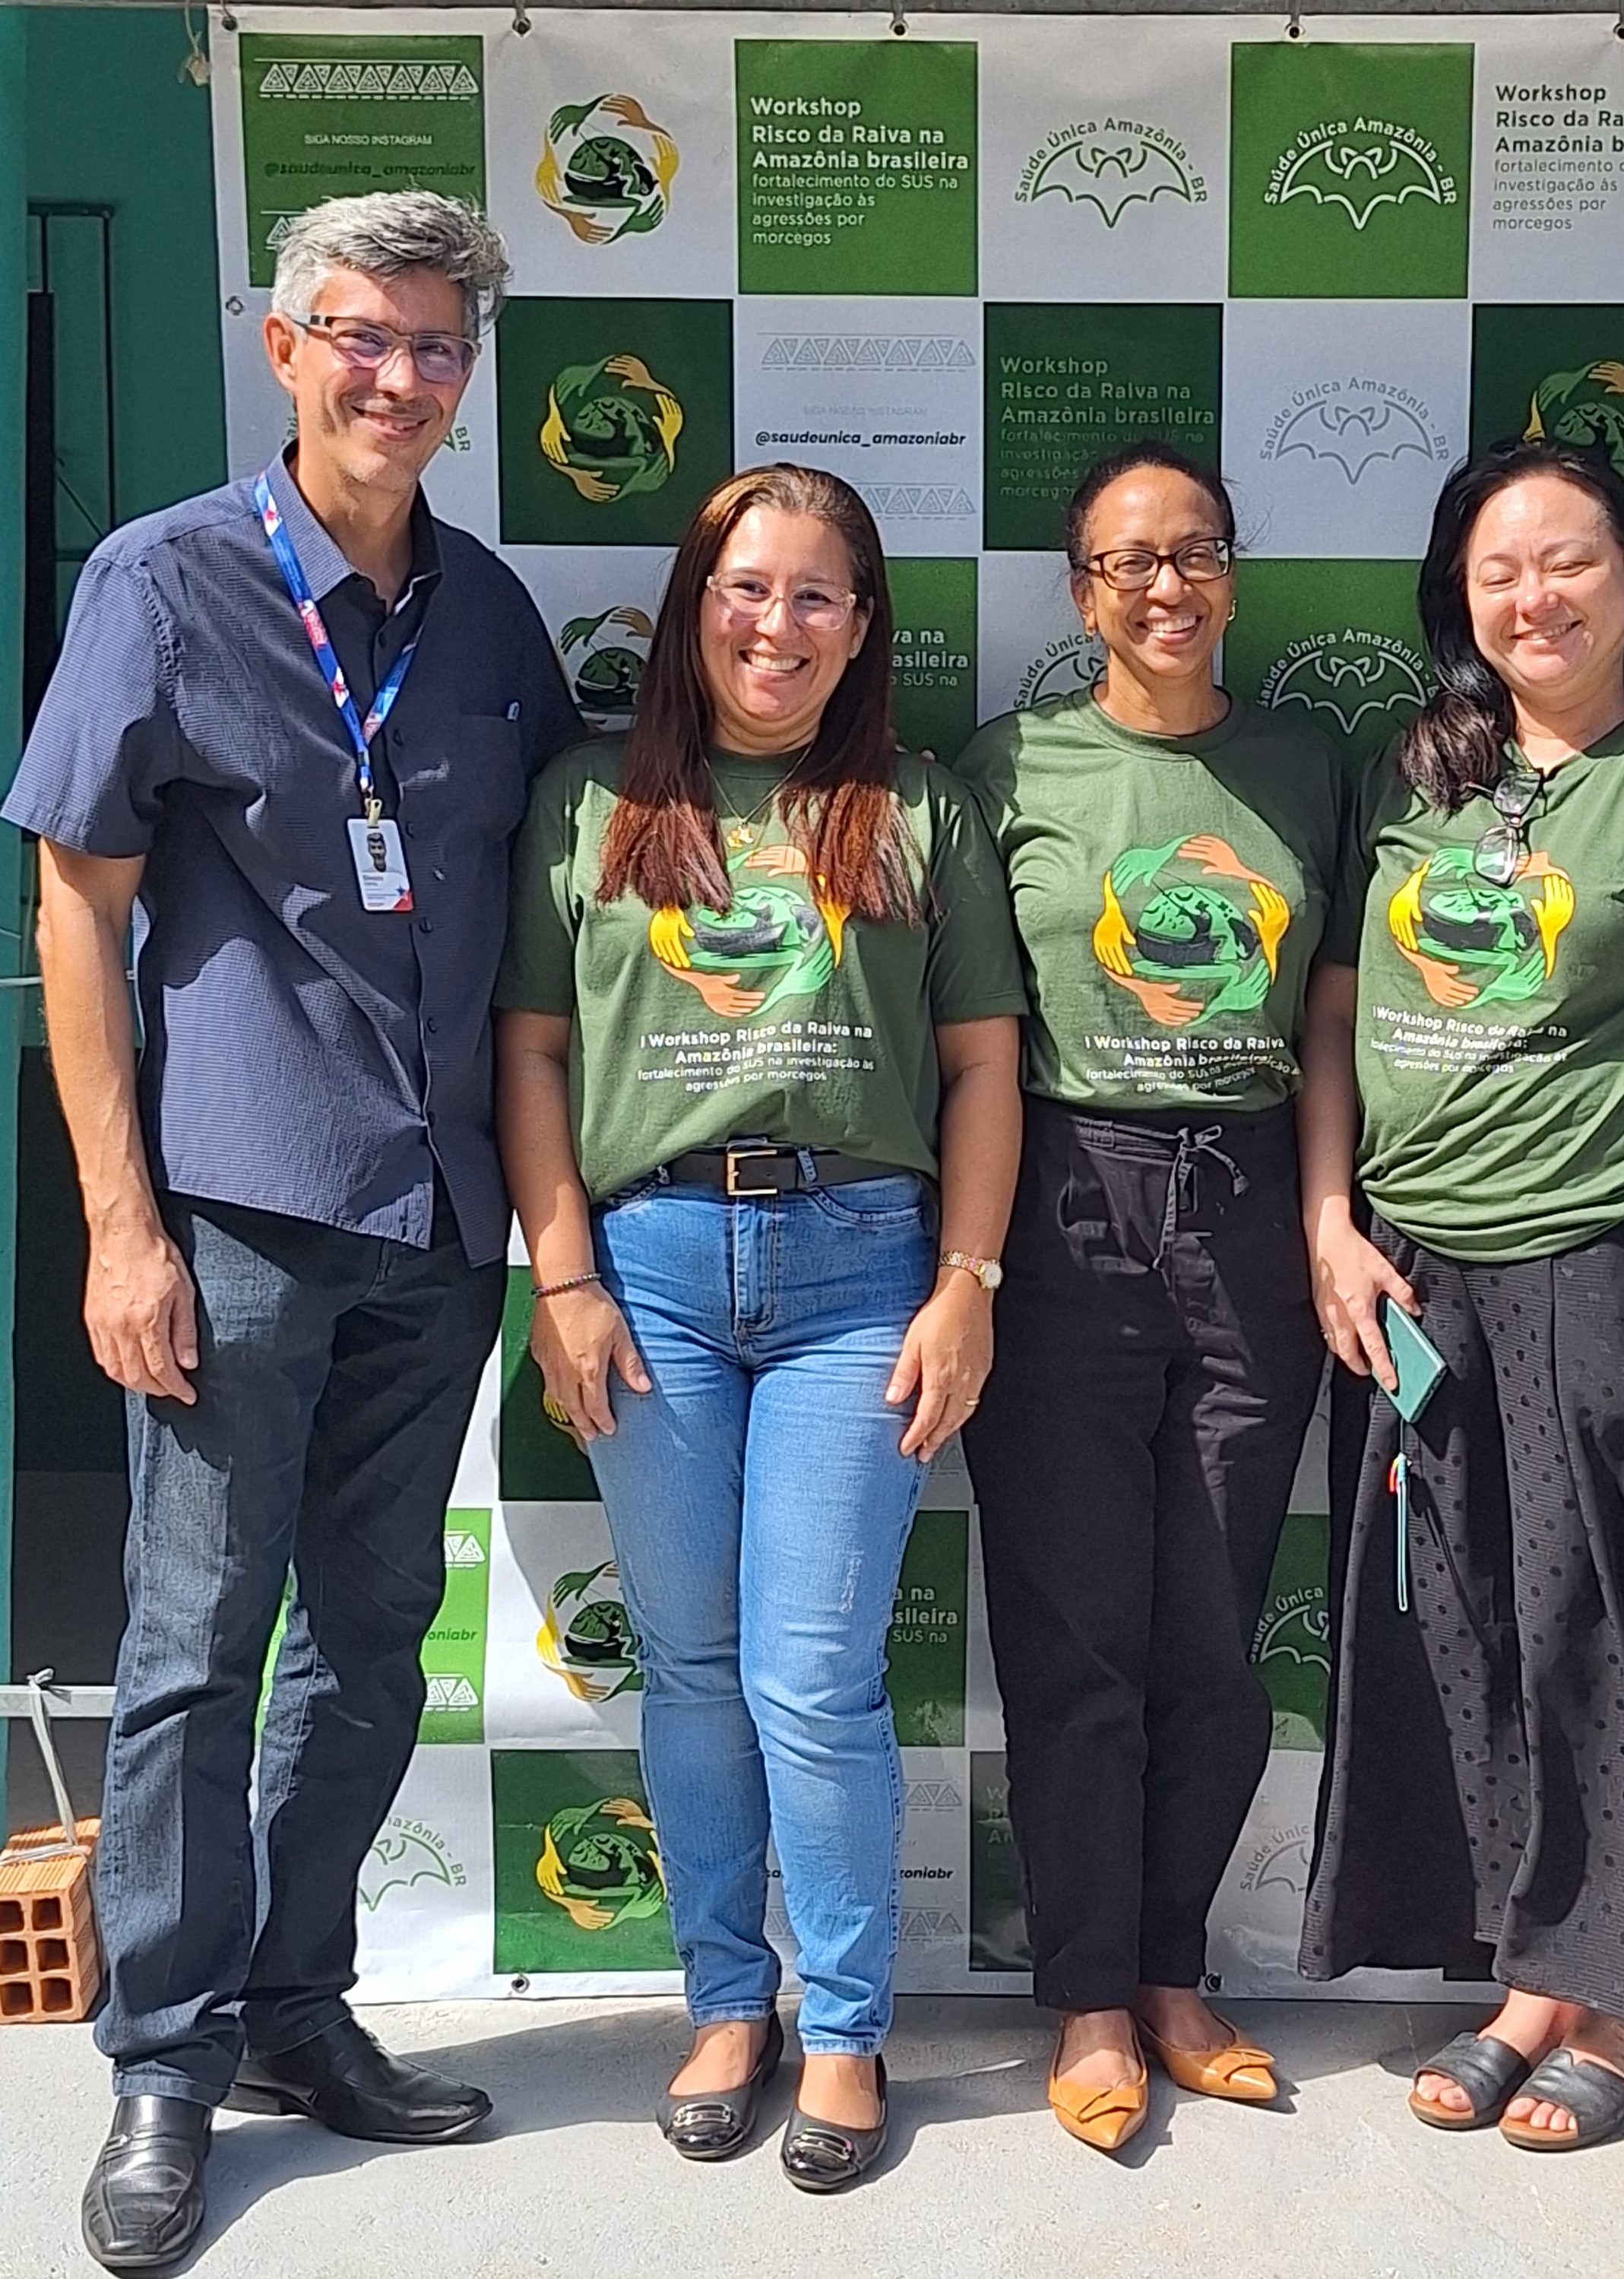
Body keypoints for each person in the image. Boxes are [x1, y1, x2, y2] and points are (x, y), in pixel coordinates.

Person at [2, 192, 584, 2274]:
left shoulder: (491, 616)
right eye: (360, 334)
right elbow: (76, 911)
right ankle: (162, 2061)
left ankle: (290, 2002)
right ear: (282, 344)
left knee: (364, 1638)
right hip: (233, 1212)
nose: (396, 378)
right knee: (190, 1649)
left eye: (434, 346)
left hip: (436, 1220)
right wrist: (117, 1225)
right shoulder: (161, 580)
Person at [495, 464, 1024, 2191]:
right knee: (695, 1667)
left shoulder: (917, 808)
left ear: (861, 628)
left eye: (813, 595)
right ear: (692, 605)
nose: (774, 625)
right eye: (744, 587)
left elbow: (982, 1068)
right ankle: (729, 2001)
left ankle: (848, 2025)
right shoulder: (589, 799)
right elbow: (532, 1052)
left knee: (811, 1672)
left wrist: (966, 1281)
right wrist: (561, 1278)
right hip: (642, 1270)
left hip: (859, 1269)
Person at [1298, 442, 1624, 2153]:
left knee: (1607, 1627)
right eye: (1497, 570)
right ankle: (1529, 1978)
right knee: (1462, 1629)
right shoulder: (1414, 779)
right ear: (1459, 598)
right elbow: (1331, 1015)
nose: (1533, 597)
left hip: (1612, 1256)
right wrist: (1331, 1219)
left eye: (1568, 561)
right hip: (1417, 1272)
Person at [952, 442, 1350, 2152]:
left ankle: (1176, 1972)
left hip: (1251, 1207)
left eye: (1195, 553)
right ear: (1080, 592)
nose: (1166, 586)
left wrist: (1322, 1212)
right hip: (1064, 1204)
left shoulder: (1309, 764)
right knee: (1075, 1634)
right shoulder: (1006, 767)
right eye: (1128, 561)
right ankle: (1090, 1998)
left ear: (1233, 574)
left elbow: (1330, 1015)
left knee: (1210, 1629)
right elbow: (970, 1034)